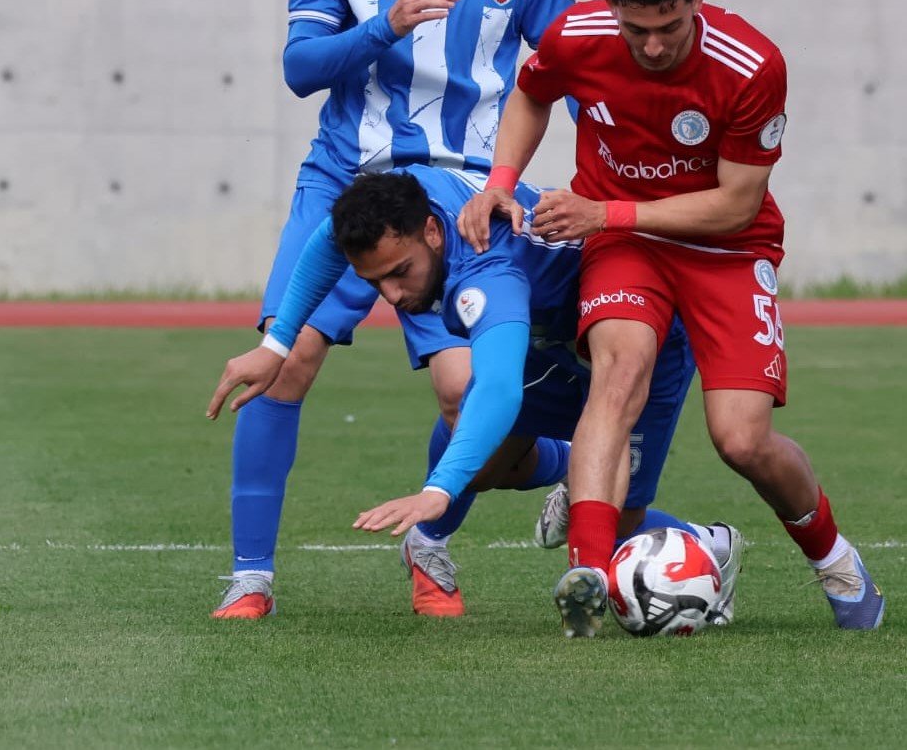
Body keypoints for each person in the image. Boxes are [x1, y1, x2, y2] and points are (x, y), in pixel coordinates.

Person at [206, 0, 574, 619]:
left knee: (464, 391)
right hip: (350, 186)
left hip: (462, 206)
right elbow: (299, 68)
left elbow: (566, 74)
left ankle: (436, 541)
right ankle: (250, 577)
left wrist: (563, 183)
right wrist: (383, 24)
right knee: (281, 358)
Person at [457, 0, 883, 635]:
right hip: (626, 246)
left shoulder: (750, 65)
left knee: (740, 440)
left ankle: (834, 559)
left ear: (698, 1)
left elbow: (735, 202)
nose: (651, 46)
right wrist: (502, 180)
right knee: (618, 371)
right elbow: (532, 92)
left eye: (669, 27)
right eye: (635, 29)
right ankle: (589, 571)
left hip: (724, 248)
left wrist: (606, 211)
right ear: (609, 7)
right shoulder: (575, 35)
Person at [209, 169, 740, 625]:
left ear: (434, 233)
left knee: (619, 515)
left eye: (401, 273)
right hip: (551, 331)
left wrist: (437, 492)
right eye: (378, 282)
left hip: (638, 333)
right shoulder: (399, 204)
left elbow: (500, 389)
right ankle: (580, 469)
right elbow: (327, 240)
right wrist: (274, 346)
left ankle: (714, 544)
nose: (392, 295)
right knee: (483, 464)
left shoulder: (486, 272)